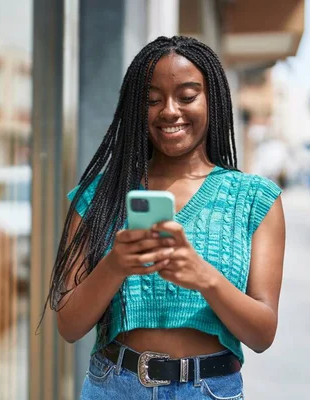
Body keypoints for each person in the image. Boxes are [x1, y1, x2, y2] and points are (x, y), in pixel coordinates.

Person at [46, 36, 286, 399]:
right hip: (114, 385)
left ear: (214, 100)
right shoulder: (99, 197)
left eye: (187, 96)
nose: (169, 111)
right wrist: (115, 265)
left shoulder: (254, 199)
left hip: (209, 390)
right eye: (152, 100)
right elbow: (69, 325)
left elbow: (262, 334)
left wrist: (205, 278)